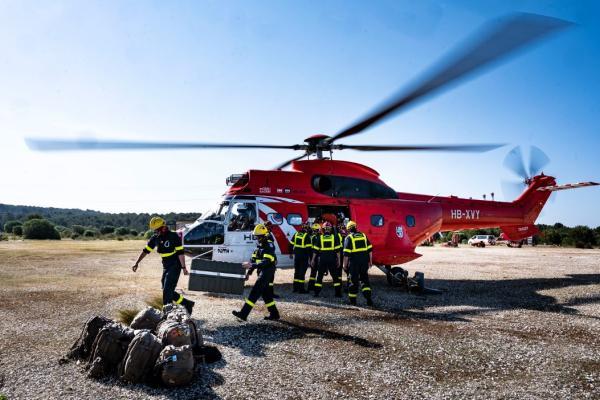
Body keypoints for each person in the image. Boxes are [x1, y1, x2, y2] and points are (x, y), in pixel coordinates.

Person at [132, 217, 195, 314]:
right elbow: (146, 251)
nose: (156, 232)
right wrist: (137, 262)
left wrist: (183, 268)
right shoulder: (155, 238)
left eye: (157, 229)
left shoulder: (174, 236)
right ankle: (186, 303)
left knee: (167, 290)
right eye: (154, 230)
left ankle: (167, 314)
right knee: (167, 290)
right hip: (166, 266)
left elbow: (180, 253)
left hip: (175, 265)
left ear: (163, 227)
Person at [232, 224, 280, 321]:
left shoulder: (269, 245)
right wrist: (249, 273)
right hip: (262, 271)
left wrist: (252, 265)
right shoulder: (259, 245)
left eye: (258, 237)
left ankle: (243, 314)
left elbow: (267, 261)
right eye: (256, 236)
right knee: (266, 295)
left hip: (267, 272)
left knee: (254, 292)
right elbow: (253, 260)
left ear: (263, 236)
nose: (256, 238)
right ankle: (275, 314)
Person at [342, 220, 374, 306]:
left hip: (354, 263)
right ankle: (369, 299)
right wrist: (370, 261)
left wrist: (345, 265)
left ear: (348, 229)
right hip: (364, 262)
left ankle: (353, 302)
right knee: (365, 280)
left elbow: (346, 254)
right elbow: (370, 249)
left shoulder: (348, 238)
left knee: (353, 281)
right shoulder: (363, 235)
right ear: (356, 227)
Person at [310, 221, 342, 297]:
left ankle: (316, 293)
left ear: (323, 229)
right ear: (330, 229)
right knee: (335, 276)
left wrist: (313, 260)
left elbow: (315, 250)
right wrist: (339, 260)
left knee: (320, 276)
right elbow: (338, 251)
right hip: (332, 259)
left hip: (322, 259)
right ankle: (338, 293)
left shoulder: (320, 237)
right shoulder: (334, 237)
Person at [289, 222, 312, 293]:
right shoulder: (307, 236)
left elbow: (290, 244)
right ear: (307, 228)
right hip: (303, 257)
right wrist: (310, 259)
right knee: (302, 273)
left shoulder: (296, 234)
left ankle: (295, 288)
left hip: (297, 256)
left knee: (296, 272)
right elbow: (309, 249)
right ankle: (301, 289)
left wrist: (291, 253)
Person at [307, 222, 321, 291]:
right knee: (317, 272)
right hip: (317, 257)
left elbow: (310, 249)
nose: (315, 231)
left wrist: (310, 258)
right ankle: (315, 286)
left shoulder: (311, 237)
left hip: (313, 256)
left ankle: (311, 286)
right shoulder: (320, 237)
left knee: (313, 272)